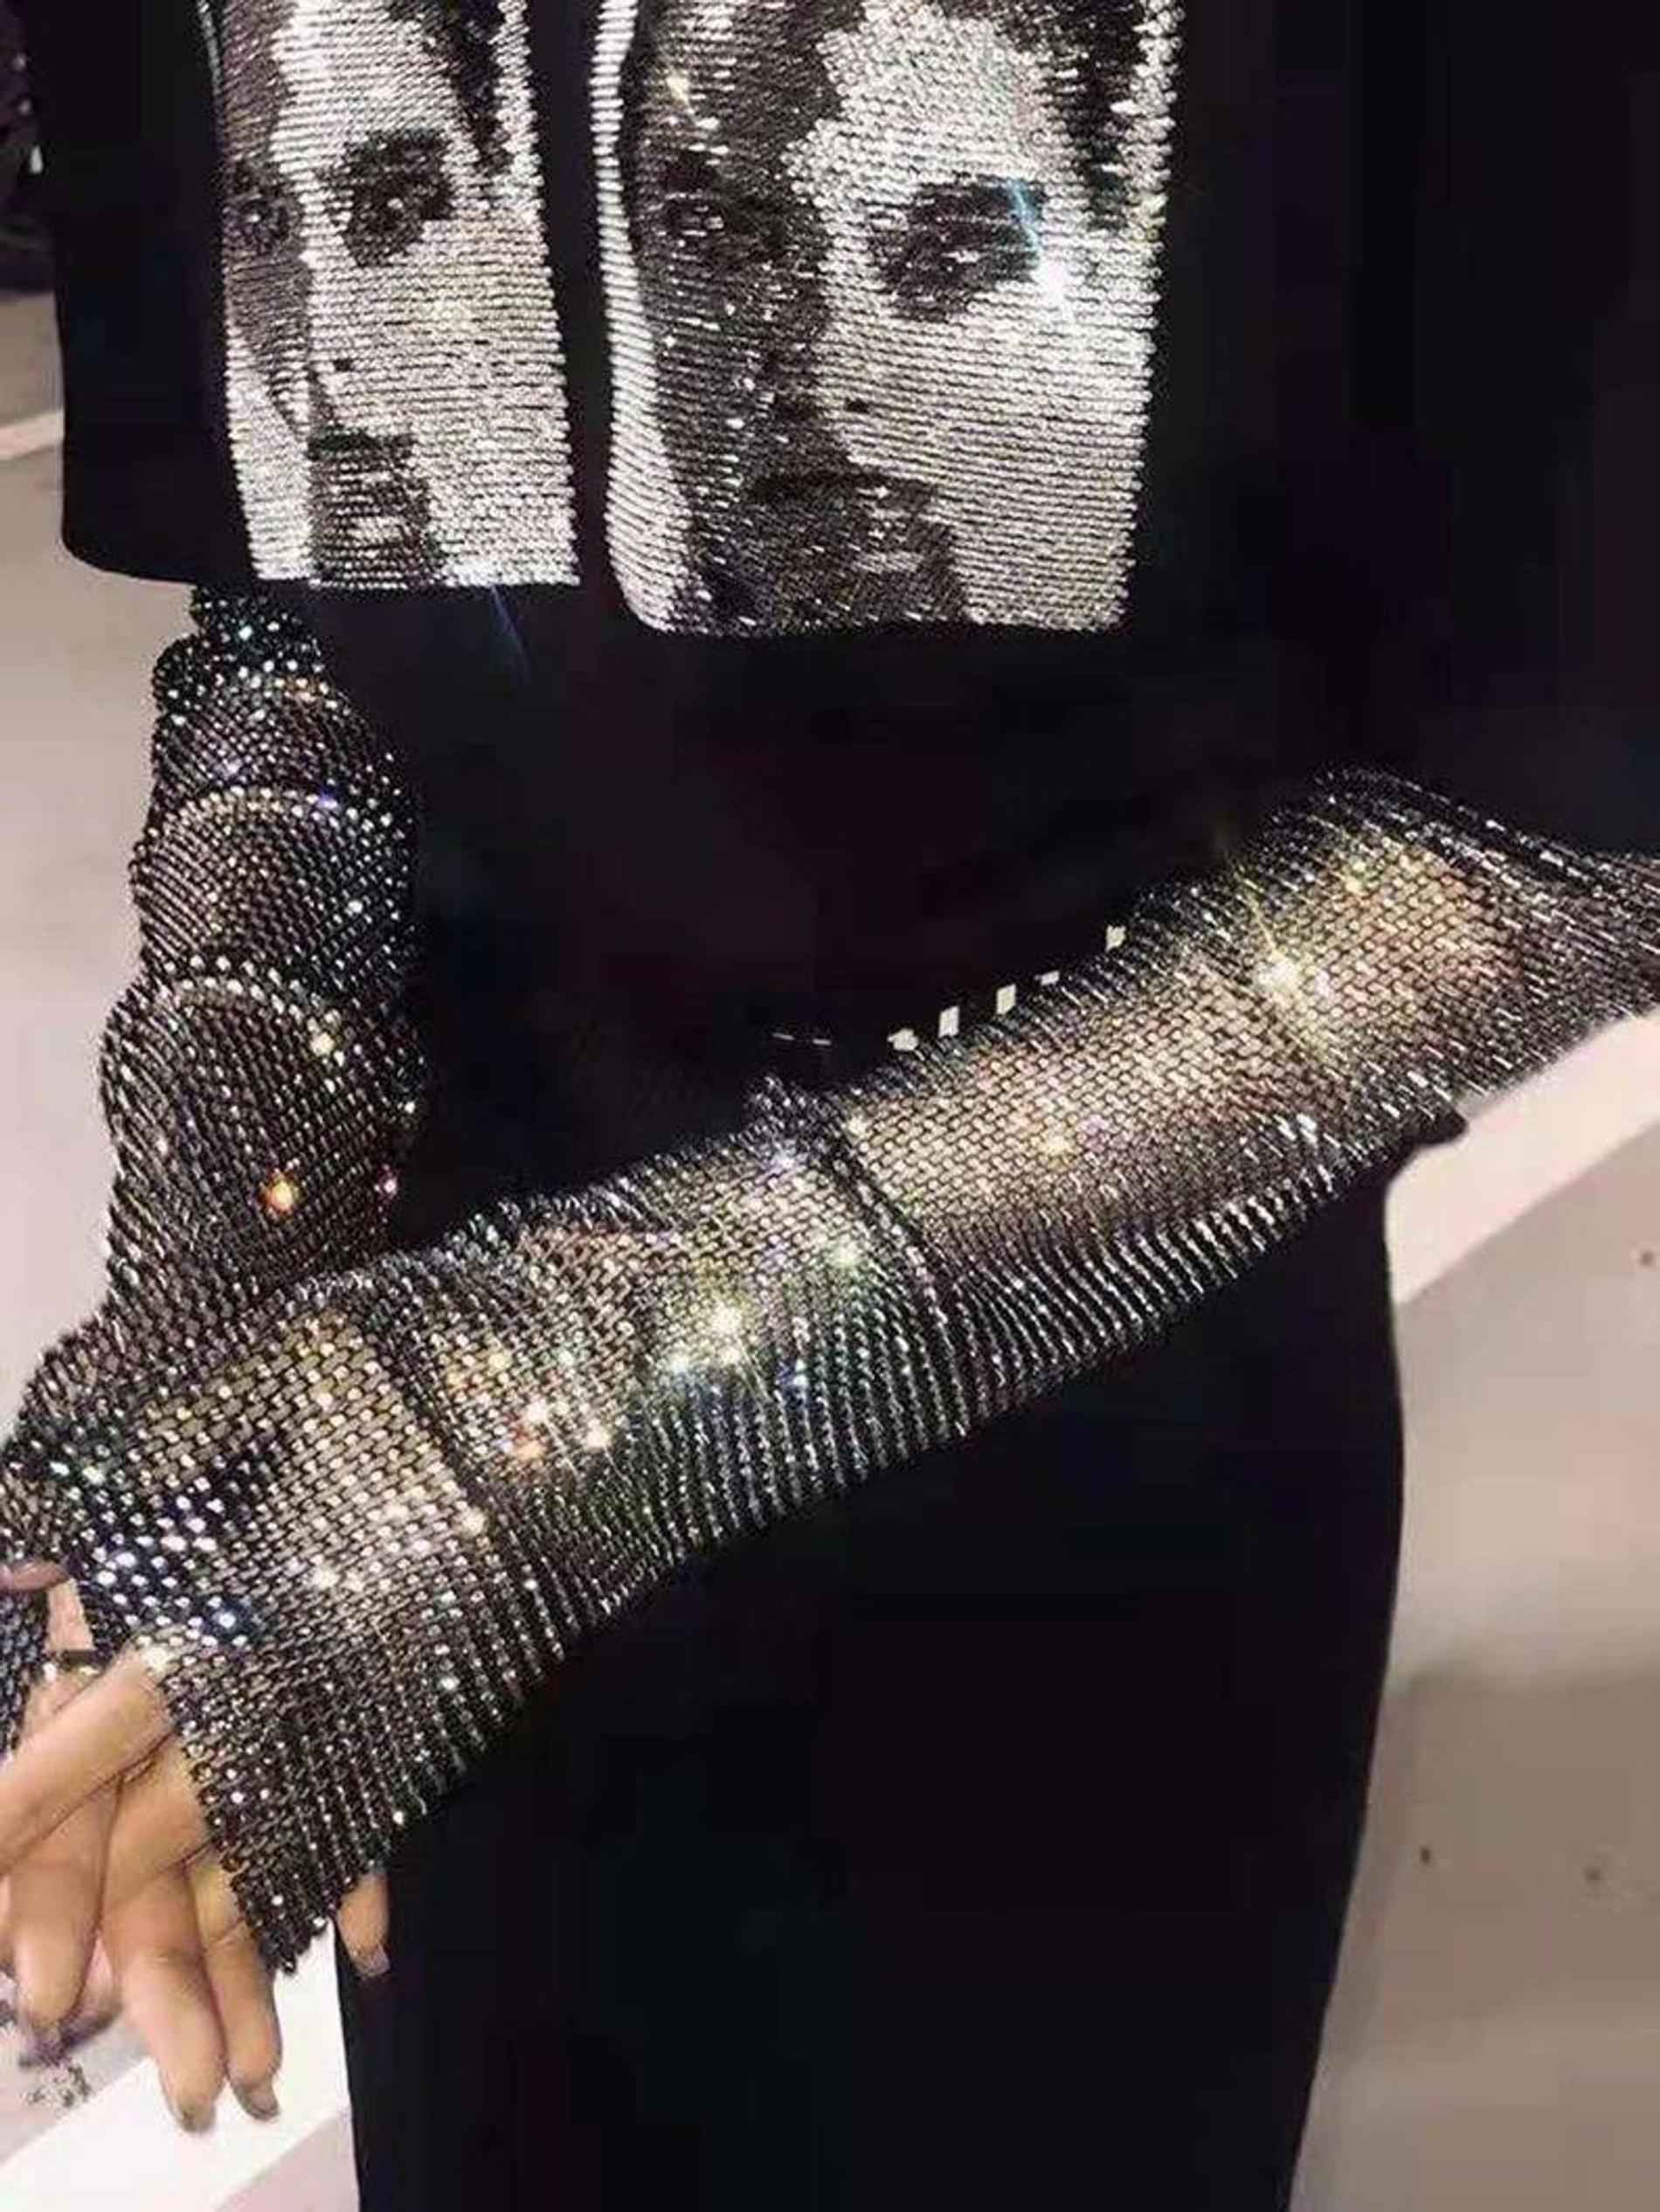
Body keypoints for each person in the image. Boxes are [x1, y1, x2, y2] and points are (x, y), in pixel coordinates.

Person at [1, 2, 1654, 2209]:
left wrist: (516, 1425)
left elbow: (1550, 826)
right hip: (422, 1485)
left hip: (1088, 1434)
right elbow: (306, 597)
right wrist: (214, 1335)